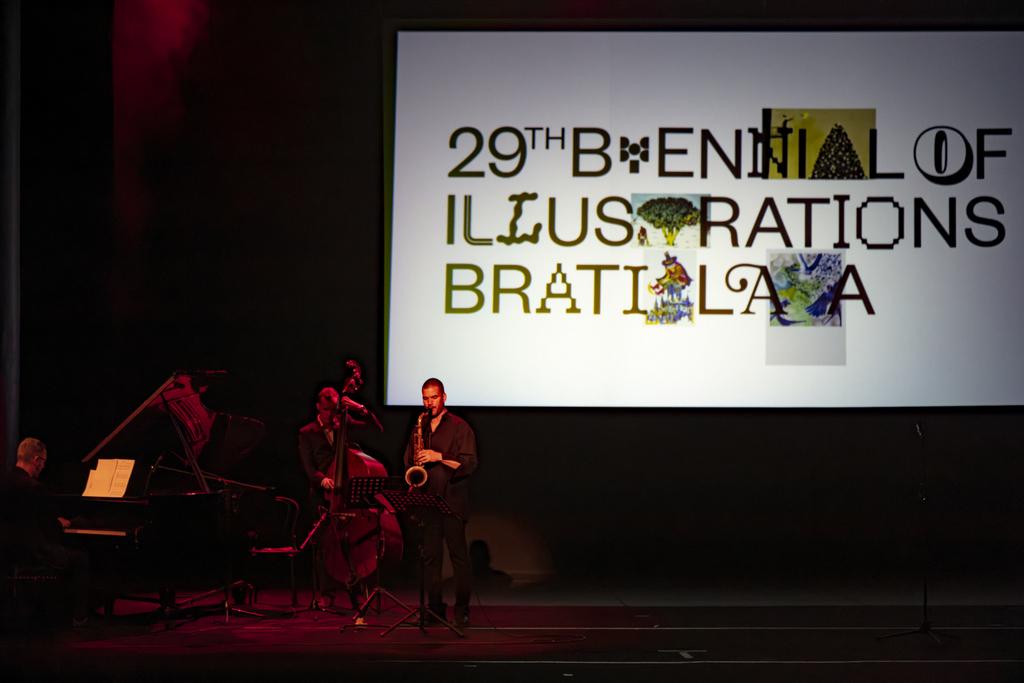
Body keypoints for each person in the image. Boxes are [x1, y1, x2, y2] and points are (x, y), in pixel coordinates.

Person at [404, 378, 478, 627]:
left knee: (459, 558)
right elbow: (409, 461)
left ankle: (462, 610)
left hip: (453, 502)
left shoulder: (460, 427)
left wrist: (439, 456)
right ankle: (434, 609)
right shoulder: (419, 427)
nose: (429, 403)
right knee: (430, 560)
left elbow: (469, 463)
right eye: (425, 398)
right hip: (428, 501)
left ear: (444, 397)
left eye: (434, 397)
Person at [4, 438, 91, 626]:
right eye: (43, 462)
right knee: (80, 558)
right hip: (33, 552)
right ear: (36, 460)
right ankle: (79, 617)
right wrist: (62, 523)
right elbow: (49, 529)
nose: (43, 467)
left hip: (7, 550)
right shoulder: (34, 488)